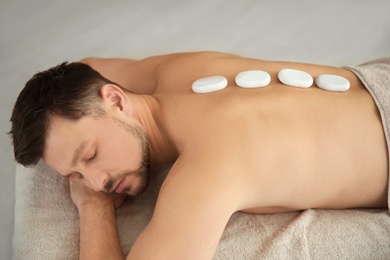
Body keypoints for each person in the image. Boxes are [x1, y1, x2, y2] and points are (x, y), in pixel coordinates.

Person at [10, 51, 389, 259]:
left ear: (115, 98)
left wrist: (94, 210)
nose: (96, 184)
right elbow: (85, 66)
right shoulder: (173, 71)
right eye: (74, 176)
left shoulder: (205, 174)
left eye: (90, 155)